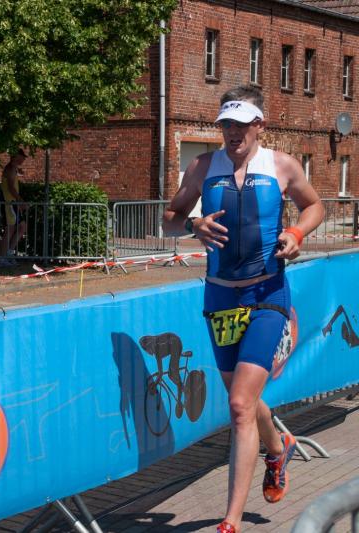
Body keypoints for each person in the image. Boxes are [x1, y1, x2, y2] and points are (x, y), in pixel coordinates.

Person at [162, 85, 324, 533]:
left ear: (259, 125)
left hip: (267, 294)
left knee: (238, 405)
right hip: (220, 299)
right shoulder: (202, 167)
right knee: (246, 402)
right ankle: (279, 448)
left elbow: (315, 206)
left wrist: (296, 233)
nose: (232, 133)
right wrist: (193, 224)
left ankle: (230, 520)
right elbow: (168, 220)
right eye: (226, 125)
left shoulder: (282, 165)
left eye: (241, 124)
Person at [0, 149, 28, 266]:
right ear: (15, 157)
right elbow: (11, 188)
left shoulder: (13, 168)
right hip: (9, 203)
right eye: (22, 157)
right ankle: (2, 259)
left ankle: (9, 254)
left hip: (13, 203)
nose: (23, 159)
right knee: (9, 230)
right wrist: (21, 201)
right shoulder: (10, 169)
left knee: (22, 227)